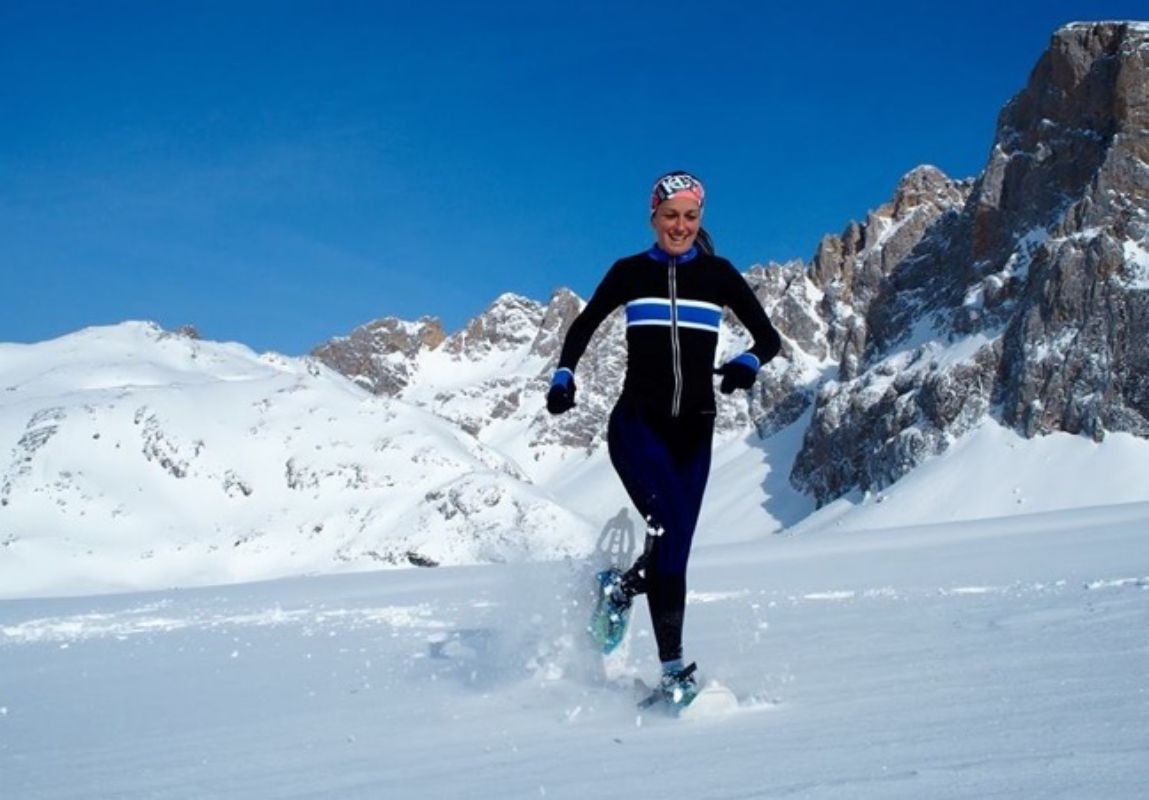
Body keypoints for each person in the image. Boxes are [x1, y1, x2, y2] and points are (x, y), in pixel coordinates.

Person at [546, 170, 782, 702]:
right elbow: (583, 326)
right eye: (670, 216)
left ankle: (620, 589)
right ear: (653, 217)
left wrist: (747, 360)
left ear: (701, 219)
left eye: (690, 217)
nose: (680, 226)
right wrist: (565, 374)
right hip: (637, 428)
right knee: (670, 543)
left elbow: (769, 338)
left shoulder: (720, 276)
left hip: (695, 434)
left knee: (674, 550)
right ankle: (673, 673)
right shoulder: (629, 273)